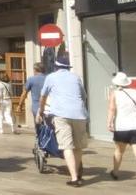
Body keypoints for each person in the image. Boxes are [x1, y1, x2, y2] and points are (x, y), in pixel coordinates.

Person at [37, 55, 88, 188]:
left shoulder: (51, 77)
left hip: (61, 115)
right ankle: (77, 172)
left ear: (56, 66)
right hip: (79, 115)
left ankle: (74, 178)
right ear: (68, 67)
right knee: (78, 147)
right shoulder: (76, 77)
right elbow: (84, 96)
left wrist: (41, 111)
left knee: (67, 146)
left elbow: (43, 97)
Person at [107, 72, 136, 186]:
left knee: (119, 151)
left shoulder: (114, 93)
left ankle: (115, 172)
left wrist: (109, 122)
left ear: (117, 83)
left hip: (122, 126)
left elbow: (112, 109)